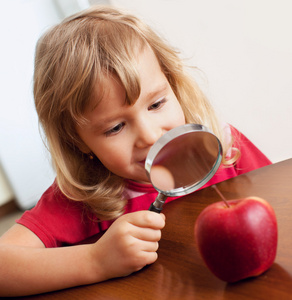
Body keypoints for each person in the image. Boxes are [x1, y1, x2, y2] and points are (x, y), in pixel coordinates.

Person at [0, 5, 271, 296]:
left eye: (156, 105)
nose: (149, 135)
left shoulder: (227, 146)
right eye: (115, 127)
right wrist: (96, 260)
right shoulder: (81, 199)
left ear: (173, 85)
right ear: (77, 141)